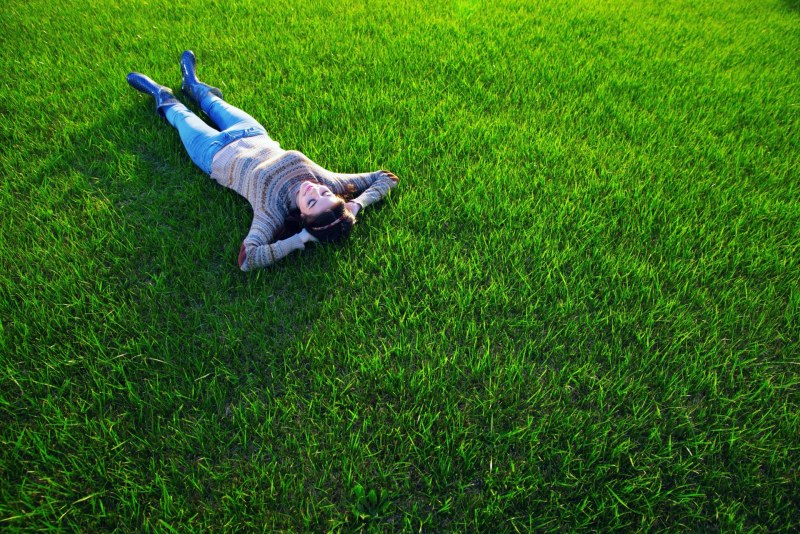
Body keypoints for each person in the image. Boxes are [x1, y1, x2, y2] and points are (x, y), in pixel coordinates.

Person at [126, 50, 399, 271]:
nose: (313, 189)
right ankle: (192, 84)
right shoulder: (326, 181)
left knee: (180, 116)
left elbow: (247, 260)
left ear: (302, 215)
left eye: (312, 201)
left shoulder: (273, 211)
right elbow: (387, 178)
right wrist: (357, 204)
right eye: (325, 193)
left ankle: (160, 94)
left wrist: (301, 239)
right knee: (211, 102)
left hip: (212, 153)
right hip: (251, 132)